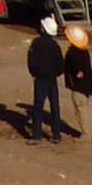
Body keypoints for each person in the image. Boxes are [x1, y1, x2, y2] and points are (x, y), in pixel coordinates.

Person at [26, 14, 66, 143]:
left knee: (38, 108)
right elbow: (61, 65)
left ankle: (37, 136)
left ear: (44, 29)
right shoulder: (55, 45)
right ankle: (56, 135)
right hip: (52, 80)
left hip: (41, 79)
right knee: (55, 107)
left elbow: (31, 62)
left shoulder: (36, 43)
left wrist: (35, 74)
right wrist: (55, 73)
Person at [62, 24, 92, 140]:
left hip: (78, 86)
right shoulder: (85, 52)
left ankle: (86, 134)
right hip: (86, 86)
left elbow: (73, 68)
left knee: (81, 110)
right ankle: (91, 133)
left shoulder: (73, 54)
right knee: (86, 109)